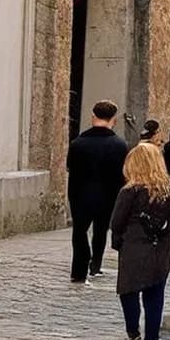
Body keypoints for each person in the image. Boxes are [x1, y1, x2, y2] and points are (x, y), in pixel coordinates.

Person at [109, 143, 170, 340]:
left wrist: (119, 239)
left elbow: (116, 221)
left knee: (129, 290)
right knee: (155, 291)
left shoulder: (129, 191)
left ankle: (134, 334)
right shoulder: (166, 192)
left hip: (135, 246)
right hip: (161, 247)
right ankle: (152, 335)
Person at [66, 100, 129, 283]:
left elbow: (70, 168)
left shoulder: (78, 143)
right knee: (100, 231)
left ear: (93, 116)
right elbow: (123, 173)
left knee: (79, 232)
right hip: (108, 195)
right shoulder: (119, 145)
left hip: (80, 195)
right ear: (113, 120)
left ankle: (79, 270)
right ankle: (95, 265)